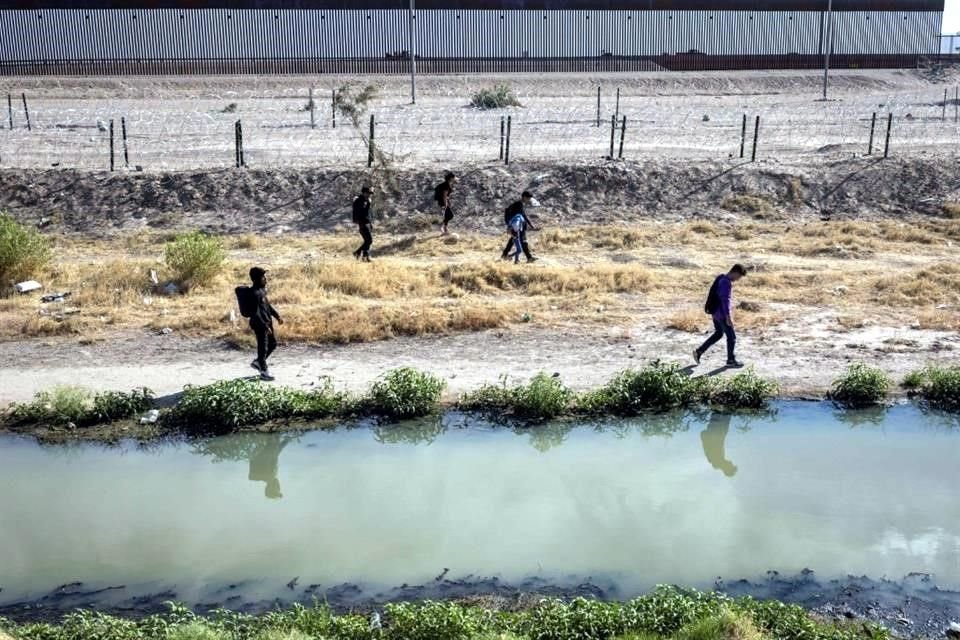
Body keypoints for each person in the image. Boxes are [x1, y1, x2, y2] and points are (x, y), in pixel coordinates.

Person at [693, 263, 747, 368]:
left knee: (718, 334)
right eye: (739, 277)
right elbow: (725, 301)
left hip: (715, 313)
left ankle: (699, 351)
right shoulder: (726, 283)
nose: (738, 279)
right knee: (731, 337)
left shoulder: (720, 278)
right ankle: (730, 360)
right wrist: (728, 317)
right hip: (722, 315)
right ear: (735, 272)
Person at [248, 266, 283, 381]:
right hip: (260, 324)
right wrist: (264, 326)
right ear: (257, 278)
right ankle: (264, 371)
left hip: (267, 322)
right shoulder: (254, 293)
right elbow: (255, 313)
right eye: (263, 277)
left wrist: (277, 316)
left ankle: (258, 362)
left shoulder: (262, 291)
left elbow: (267, 306)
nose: (265, 279)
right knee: (262, 349)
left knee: (272, 344)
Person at [500, 191, 538, 262]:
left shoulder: (519, 204)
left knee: (514, 240)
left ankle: (506, 255)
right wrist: (530, 224)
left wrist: (530, 224)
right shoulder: (518, 204)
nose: (529, 200)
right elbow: (520, 216)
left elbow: (523, 215)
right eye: (528, 198)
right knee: (522, 241)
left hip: (517, 226)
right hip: (517, 226)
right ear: (524, 197)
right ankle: (528, 258)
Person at [700, 413, 737, 477]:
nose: (731, 462)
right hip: (719, 427)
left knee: (723, 409)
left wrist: (712, 434)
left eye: (731, 465)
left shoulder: (716, 459)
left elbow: (706, 442)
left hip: (717, 427)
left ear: (727, 468)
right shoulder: (718, 460)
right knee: (726, 410)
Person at [352, 185, 373, 262]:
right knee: (369, 241)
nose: (369, 195)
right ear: (364, 193)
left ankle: (365, 257)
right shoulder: (359, 201)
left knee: (367, 241)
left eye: (370, 193)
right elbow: (363, 213)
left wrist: (370, 223)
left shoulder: (364, 200)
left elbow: (367, 214)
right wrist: (368, 204)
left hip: (366, 222)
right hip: (363, 223)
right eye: (368, 193)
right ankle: (357, 253)